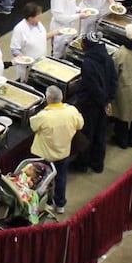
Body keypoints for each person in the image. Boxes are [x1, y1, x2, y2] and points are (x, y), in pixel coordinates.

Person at [29, 85, 84, 215]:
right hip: (63, 152)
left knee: (41, 180)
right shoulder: (71, 111)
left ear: (48, 98)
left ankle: (42, 205)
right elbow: (80, 124)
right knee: (61, 178)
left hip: (44, 154)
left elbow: (33, 126)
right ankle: (60, 204)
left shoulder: (44, 116)